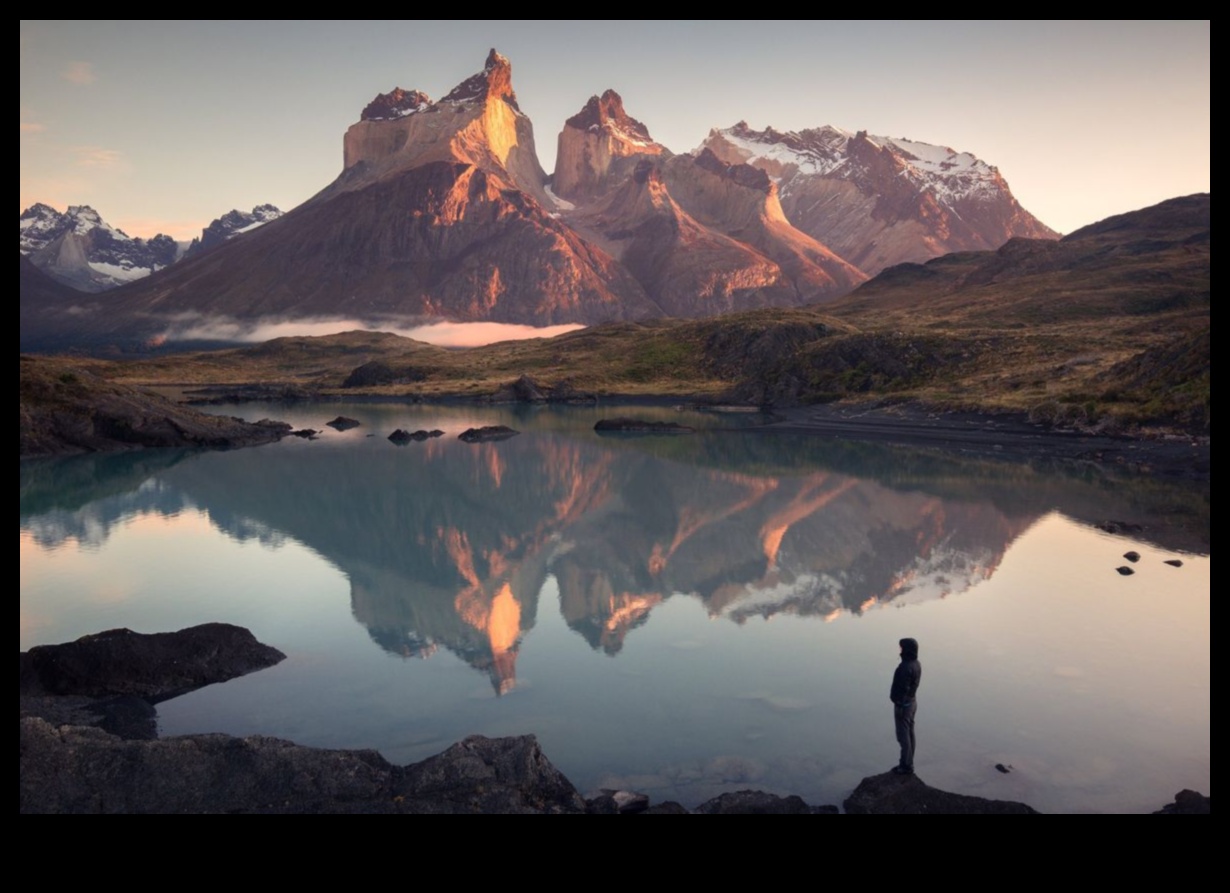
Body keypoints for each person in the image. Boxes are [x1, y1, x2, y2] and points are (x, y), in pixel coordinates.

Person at [890, 637, 922, 775]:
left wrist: (899, 703)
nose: (900, 650)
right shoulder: (916, 664)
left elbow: (902, 687)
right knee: (909, 733)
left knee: (903, 736)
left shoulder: (905, 667)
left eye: (902, 647)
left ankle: (905, 766)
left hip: (904, 705)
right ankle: (908, 763)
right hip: (912, 703)